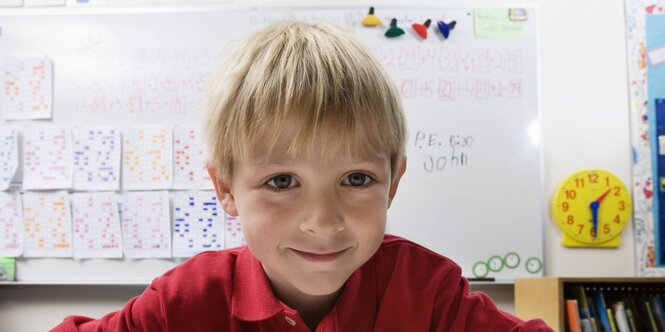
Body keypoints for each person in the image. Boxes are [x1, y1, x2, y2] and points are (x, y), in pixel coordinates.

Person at [52, 21, 552, 332]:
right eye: (281, 181)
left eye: (356, 180)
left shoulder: (427, 292)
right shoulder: (187, 299)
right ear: (225, 188)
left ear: (393, 183)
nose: (323, 222)